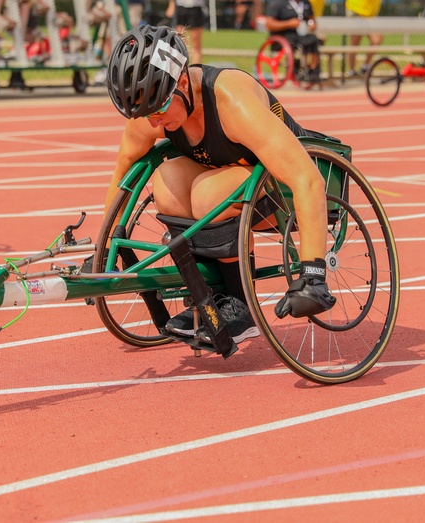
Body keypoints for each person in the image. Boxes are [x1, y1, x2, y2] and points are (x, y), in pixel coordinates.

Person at [103, 26, 338, 344]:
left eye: (158, 110)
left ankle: (241, 306)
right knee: (166, 180)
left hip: (279, 198)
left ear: (182, 82)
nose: (153, 122)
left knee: (207, 193)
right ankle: (208, 298)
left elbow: (307, 178)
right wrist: (103, 250)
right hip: (222, 186)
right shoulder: (152, 116)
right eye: (144, 113)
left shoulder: (231, 101)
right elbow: (122, 178)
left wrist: (313, 275)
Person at [344, 0, 394, 74]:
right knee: (355, 42)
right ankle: (351, 70)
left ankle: (365, 66)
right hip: (356, 12)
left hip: (370, 15)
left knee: (377, 39)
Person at [264, 0, 321, 82]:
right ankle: (295, 70)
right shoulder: (279, 2)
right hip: (283, 36)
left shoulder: (305, 2)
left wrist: (312, 24)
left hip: (300, 34)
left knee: (314, 40)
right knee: (292, 42)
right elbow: (269, 24)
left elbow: (312, 19)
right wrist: (288, 24)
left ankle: (313, 71)